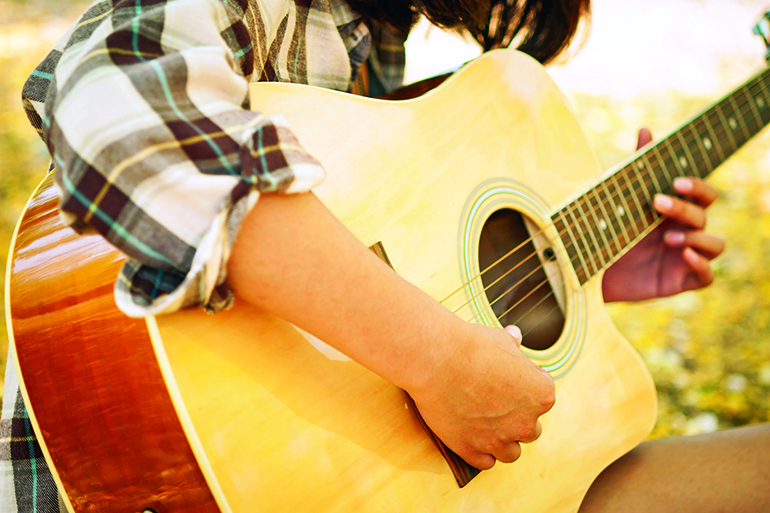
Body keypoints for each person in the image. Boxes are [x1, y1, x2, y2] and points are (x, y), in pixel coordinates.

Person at [0, 0, 757, 511]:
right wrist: (436, 358)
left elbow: (395, 247)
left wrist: (567, 277)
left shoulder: (374, 36)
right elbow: (123, 115)